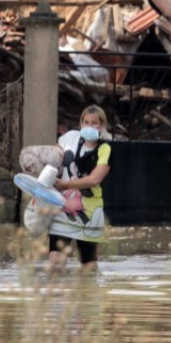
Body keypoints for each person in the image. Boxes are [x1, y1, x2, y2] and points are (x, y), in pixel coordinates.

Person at [48, 105, 111, 271]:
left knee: (88, 266)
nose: (89, 126)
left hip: (90, 212)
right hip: (62, 207)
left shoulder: (106, 148)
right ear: (81, 123)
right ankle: (59, 296)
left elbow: (94, 179)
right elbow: (54, 156)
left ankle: (89, 295)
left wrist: (65, 184)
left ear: (102, 125)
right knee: (56, 260)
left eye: (94, 123)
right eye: (86, 122)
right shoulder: (69, 138)